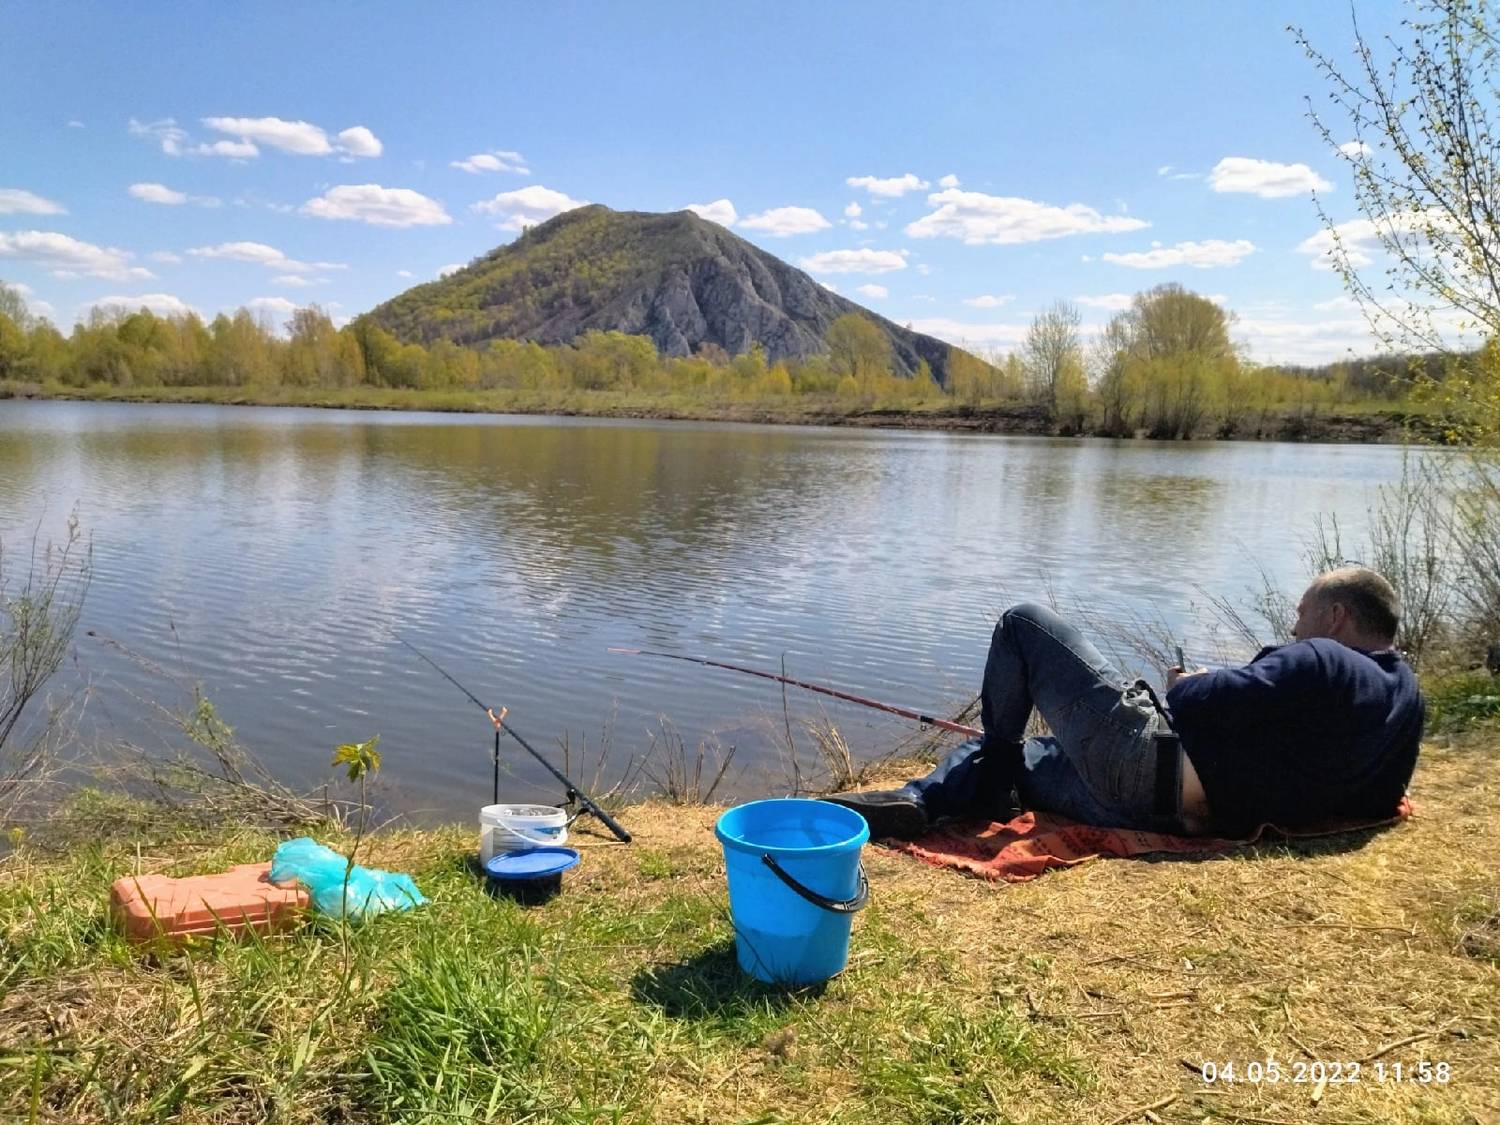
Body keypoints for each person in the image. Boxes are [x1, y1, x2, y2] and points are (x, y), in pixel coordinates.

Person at [828, 566, 1425, 840]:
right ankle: (922, 800)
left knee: (1023, 622)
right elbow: (1381, 798)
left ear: (1337, 616)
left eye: (1302, 615)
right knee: (1034, 756)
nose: (1297, 629)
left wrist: (1187, 680)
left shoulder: (1321, 657)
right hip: (1175, 816)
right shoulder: (1406, 700)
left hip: (1149, 771)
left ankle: (980, 771)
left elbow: (1198, 704)